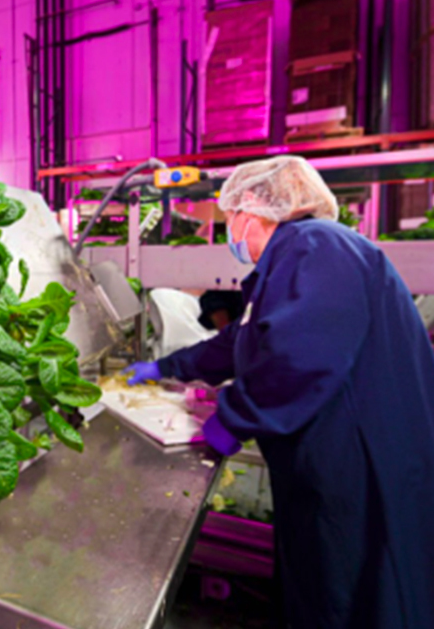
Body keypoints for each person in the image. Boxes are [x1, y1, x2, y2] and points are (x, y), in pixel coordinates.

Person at [124, 155, 434, 629]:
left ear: (256, 207)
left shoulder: (318, 245)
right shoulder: (291, 259)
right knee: (321, 587)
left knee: (358, 597)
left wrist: (229, 419)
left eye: (231, 219)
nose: (230, 231)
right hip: (329, 465)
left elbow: (300, 357)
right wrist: (168, 367)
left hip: (361, 465)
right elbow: (245, 339)